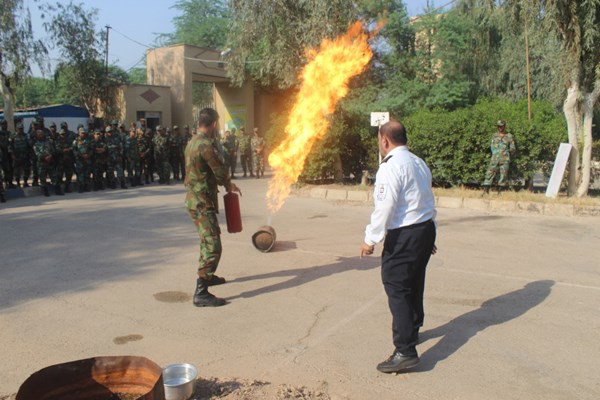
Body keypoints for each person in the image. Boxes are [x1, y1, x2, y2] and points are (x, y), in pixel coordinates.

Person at [360, 120, 437, 374]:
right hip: (424, 230)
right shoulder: (418, 162)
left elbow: (384, 207)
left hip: (405, 235)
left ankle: (405, 350)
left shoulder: (390, 167)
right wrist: (427, 238)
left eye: (379, 140)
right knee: (414, 282)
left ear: (384, 140)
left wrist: (371, 239)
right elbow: (426, 198)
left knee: (396, 285)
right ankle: (412, 330)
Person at [184, 107, 240, 307]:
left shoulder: (191, 142)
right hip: (201, 202)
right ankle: (201, 291)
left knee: (207, 240)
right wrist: (228, 184)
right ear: (214, 124)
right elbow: (219, 170)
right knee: (213, 245)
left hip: (195, 200)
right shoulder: (206, 145)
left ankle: (209, 275)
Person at [482, 120, 516, 194]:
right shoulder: (494, 135)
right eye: (498, 126)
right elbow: (491, 146)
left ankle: (500, 192)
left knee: (503, 175)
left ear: (504, 126)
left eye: (501, 126)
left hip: (505, 159)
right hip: (495, 158)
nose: (500, 127)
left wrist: (507, 155)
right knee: (489, 173)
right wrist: (494, 153)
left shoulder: (509, 136)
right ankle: (486, 191)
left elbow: (513, 148)